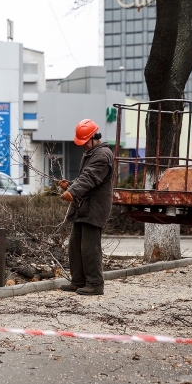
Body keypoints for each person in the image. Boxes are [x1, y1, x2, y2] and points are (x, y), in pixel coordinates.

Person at [58, 119, 114, 296]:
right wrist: (70, 186)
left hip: (94, 208)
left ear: (94, 138)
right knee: (75, 246)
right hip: (83, 206)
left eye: (84, 142)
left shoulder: (102, 155)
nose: (82, 146)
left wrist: (72, 191)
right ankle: (79, 281)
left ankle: (95, 284)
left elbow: (90, 178)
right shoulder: (91, 152)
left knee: (90, 248)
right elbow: (85, 179)